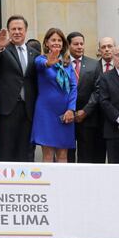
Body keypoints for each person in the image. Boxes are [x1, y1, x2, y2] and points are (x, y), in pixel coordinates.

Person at [0, 15, 39, 161]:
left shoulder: (34, 53)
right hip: (7, 110)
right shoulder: (2, 49)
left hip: (28, 110)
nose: (17, 32)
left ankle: (26, 184)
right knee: (7, 151)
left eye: (20, 29)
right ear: (9, 31)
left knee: (27, 152)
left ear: (26, 30)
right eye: (13, 29)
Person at [31, 28, 77, 162]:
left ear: (63, 44)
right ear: (46, 43)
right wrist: (48, 63)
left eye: (59, 40)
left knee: (63, 154)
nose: (56, 42)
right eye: (53, 40)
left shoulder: (67, 63)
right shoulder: (40, 59)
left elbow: (73, 87)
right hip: (46, 112)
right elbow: (40, 65)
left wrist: (71, 109)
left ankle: (62, 183)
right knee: (48, 154)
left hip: (65, 112)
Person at [66, 32, 99, 163]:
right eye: (75, 44)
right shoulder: (62, 63)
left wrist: (85, 111)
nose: (79, 47)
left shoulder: (94, 64)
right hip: (67, 115)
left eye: (81, 44)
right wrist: (70, 110)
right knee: (67, 154)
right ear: (68, 45)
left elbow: (98, 90)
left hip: (87, 116)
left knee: (86, 155)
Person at [94, 37, 116, 163]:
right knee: (97, 158)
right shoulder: (93, 67)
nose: (107, 49)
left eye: (110, 46)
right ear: (99, 50)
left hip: (117, 119)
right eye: (103, 47)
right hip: (97, 119)